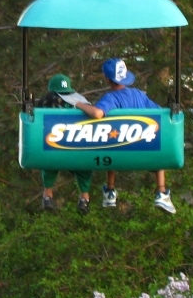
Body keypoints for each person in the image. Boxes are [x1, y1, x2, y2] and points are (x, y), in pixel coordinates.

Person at [76, 58, 177, 215]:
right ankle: (162, 193)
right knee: (155, 142)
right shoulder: (139, 95)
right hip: (145, 152)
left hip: (120, 155)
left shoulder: (110, 98)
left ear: (107, 78)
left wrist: (79, 104)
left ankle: (110, 190)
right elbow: (159, 113)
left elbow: (97, 114)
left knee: (112, 139)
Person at [37, 74, 96, 213]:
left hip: (54, 146)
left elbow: (35, 118)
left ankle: (47, 195)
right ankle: (84, 198)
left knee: (49, 164)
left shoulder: (46, 100)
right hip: (77, 146)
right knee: (84, 167)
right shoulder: (79, 101)